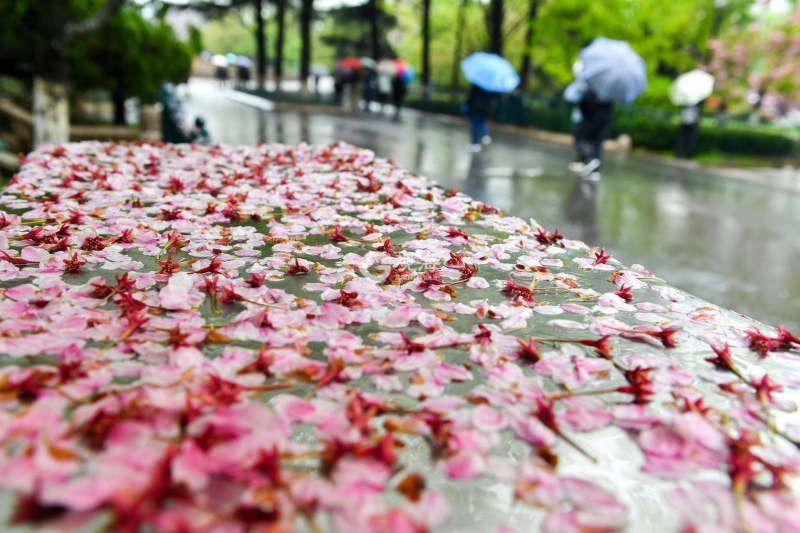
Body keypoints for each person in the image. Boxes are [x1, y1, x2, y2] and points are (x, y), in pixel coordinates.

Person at [572, 88, 612, 178]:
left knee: (579, 139)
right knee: (598, 145)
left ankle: (588, 159)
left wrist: (586, 115)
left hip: (590, 120)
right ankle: (595, 171)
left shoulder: (593, 87)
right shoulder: (609, 91)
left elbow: (583, 102)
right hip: (603, 123)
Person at [465, 84, 494, 152]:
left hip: (476, 107)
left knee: (475, 125)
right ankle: (485, 136)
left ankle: (475, 144)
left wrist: (467, 104)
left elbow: (471, 95)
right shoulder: (490, 86)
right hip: (486, 108)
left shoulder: (477, 84)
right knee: (481, 123)